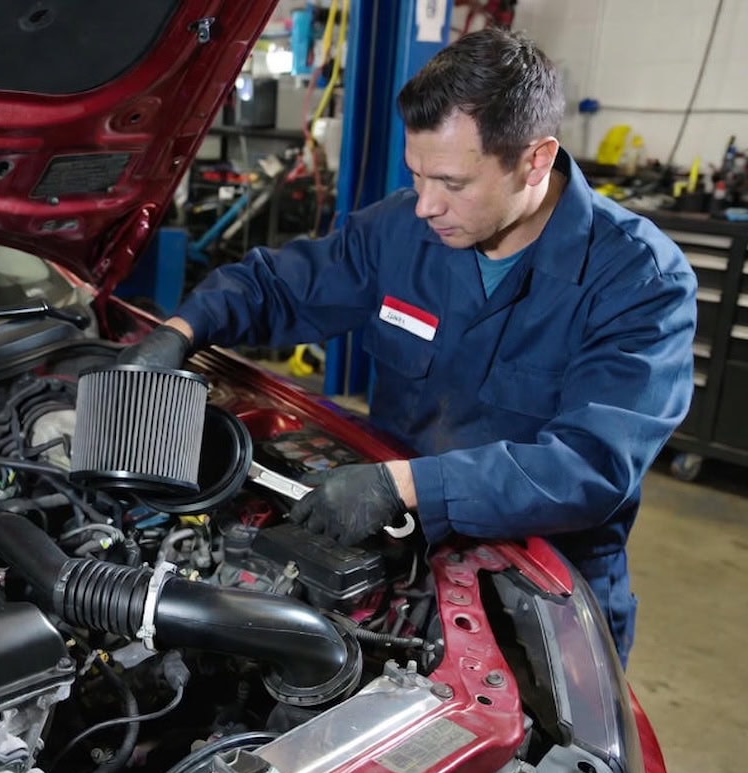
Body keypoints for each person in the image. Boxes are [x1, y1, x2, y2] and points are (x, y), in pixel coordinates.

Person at [119, 28, 696, 667]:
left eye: (451, 181)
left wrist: (406, 484)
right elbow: (279, 287)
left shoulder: (640, 280)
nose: (425, 205)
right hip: (391, 560)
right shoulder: (400, 229)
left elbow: (591, 466)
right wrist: (179, 334)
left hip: (541, 601)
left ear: (535, 161)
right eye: (417, 175)